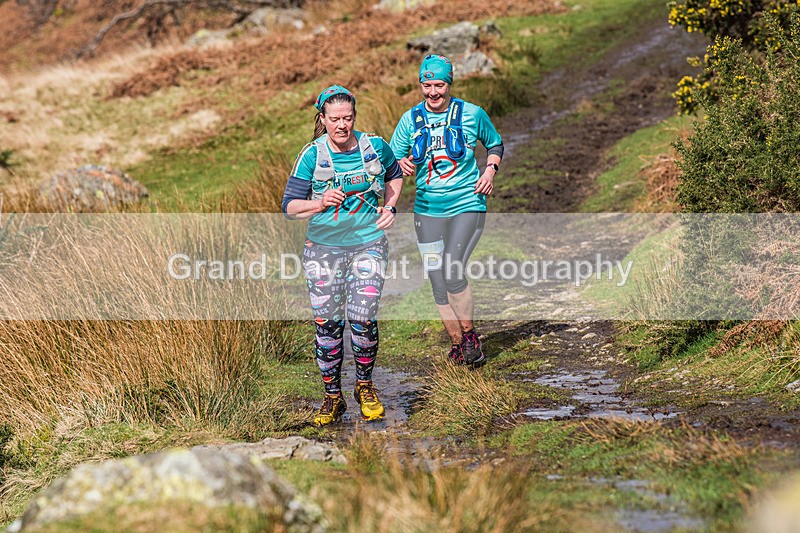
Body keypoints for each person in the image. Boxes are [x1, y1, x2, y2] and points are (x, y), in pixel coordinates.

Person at [282, 85, 403, 426]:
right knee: (328, 326)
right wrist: (319, 202)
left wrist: (391, 206)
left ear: (354, 117)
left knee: (363, 320)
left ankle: (364, 387)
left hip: (369, 243)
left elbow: (394, 176)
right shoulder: (311, 155)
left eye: (347, 118)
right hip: (322, 249)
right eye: (334, 119)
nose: (341, 126)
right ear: (322, 119)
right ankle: (332, 396)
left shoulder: (375, 146)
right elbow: (289, 207)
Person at [390, 54, 503, 367]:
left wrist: (490, 171)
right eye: (427, 85)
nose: (433, 92)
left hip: (467, 204)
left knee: (452, 268)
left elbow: (494, 144)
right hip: (426, 210)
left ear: (449, 84)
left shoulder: (472, 113)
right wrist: (400, 164)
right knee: (436, 279)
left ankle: (470, 337)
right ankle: (458, 345)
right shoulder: (409, 120)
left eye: (439, 85)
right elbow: (391, 162)